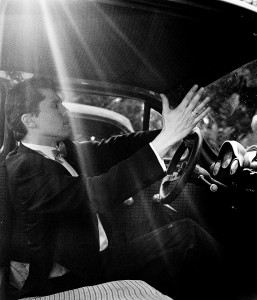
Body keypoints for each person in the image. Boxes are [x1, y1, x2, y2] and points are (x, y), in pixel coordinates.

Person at [2, 76, 225, 300]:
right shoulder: (23, 169)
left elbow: (112, 149)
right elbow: (98, 194)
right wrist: (165, 140)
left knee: (165, 234)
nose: (65, 110)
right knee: (186, 236)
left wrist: (165, 133)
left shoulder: (59, 148)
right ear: (30, 120)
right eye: (55, 105)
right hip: (74, 275)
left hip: (97, 251)